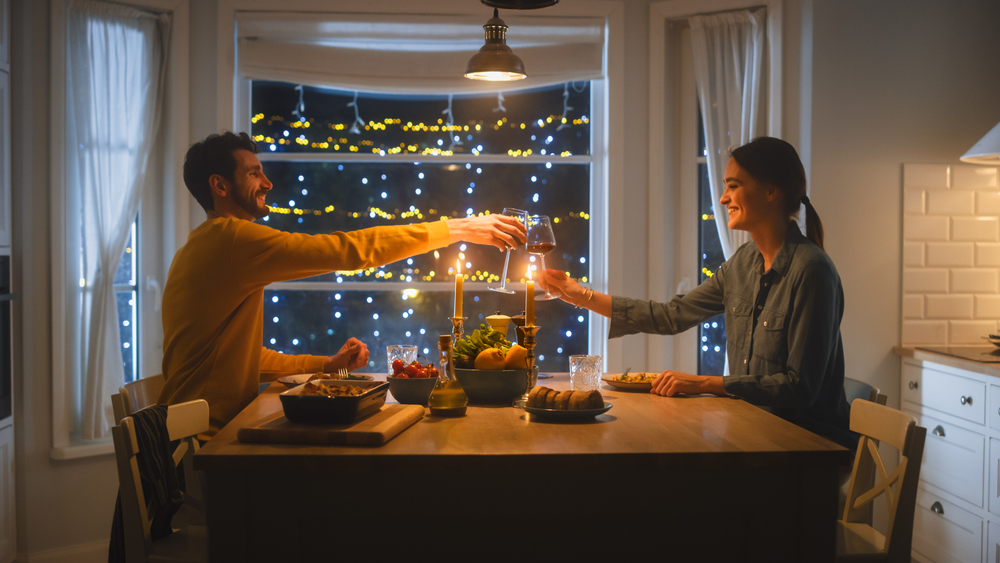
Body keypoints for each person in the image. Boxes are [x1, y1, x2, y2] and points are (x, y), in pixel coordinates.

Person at [158, 132, 527, 436]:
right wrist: (456, 229)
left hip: (195, 433)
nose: (267, 183)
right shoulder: (232, 239)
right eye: (254, 173)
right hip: (200, 443)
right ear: (219, 185)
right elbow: (348, 250)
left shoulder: (206, 245)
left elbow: (239, 360)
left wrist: (327, 364)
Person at [541, 137, 855, 449]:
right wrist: (579, 294)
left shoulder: (811, 271)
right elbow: (671, 315)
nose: (723, 198)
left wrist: (704, 383)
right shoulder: (743, 263)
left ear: (771, 191)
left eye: (734, 186)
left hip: (807, 449)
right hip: (754, 434)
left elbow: (799, 388)